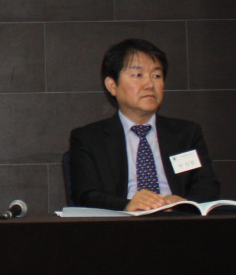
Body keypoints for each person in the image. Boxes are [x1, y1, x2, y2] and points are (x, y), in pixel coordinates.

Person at [66, 38, 220, 211]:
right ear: (112, 85)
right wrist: (128, 205)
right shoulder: (89, 139)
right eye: (138, 75)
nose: (149, 84)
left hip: (177, 220)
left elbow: (208, 187)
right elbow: (86, 195)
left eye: (156, 76)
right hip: (122, 223)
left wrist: (184, 204)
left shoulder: (186, 134)